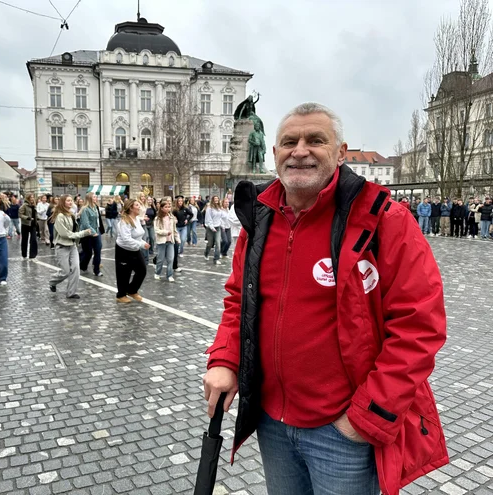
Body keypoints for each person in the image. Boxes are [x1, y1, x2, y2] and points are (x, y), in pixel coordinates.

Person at [202, 102, 447, 495]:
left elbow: (420, 327)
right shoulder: (260, 218)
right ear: (275, 153)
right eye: (289, 142)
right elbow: (239, 299)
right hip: (272, 423)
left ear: (340, 152)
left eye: (316, 140)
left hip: (343, 430)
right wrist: (226, 358)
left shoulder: (383, 219)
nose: (300, 150)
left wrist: (364, 418)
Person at [50, 194, 93, 299]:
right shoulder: (60, 216)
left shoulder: (71, 215)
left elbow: (74, 230)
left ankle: (71, 293)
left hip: (72, 246)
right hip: (62, 246)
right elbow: (66, 234)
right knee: (65, 271)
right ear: (63, 202)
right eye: (68, 201)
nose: (70, 202)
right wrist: (83, 233)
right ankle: (52, 281)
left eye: (71, 201)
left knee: (76, 269)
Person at [114, 199, 149, 303]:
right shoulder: (124, 222)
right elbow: (126, 239)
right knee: (124, 273)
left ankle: (132, 290)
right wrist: (141, 245)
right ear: (131, 208)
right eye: (137, 205)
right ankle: (121, 295)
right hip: (123, 250)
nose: (139, 207)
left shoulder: (136, 219)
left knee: (142, 270)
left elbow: (137, 237)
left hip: (135, 249)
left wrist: (142, 243)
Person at [153, 198, 180, 282]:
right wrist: (165, 232)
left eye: (169, 207)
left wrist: (177, 238)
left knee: (170, 259)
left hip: (170, 241)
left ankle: (170, 275)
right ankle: (157, 273)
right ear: (161, 208)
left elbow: (174, 229)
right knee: (160, 259)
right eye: (166, 207)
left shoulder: (171, 218)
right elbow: (157, 230)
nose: (168, 208)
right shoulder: (158, 218)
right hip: (161, 241)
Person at [79, 192, 104, 276]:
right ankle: (82, 265)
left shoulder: (95, 207)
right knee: (88, 252)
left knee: (98, 251)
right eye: (94, 197)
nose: (95, 198)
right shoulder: (85, 209)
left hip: (97, 232)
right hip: (87, 233)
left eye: (95, 196)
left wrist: (98, 231)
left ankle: (96, 270)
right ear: (89, 198)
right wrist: (93, 233)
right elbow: (86, 224)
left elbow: (98, 220)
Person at [203, 195, 223, 265]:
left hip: (218, 227)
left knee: (218, 243)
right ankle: (206, 253)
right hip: (210, 228)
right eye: (215, 199)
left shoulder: (220, 208)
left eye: (217, 199)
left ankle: (216, 259)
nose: (216, 200)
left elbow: (221, 217)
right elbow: (208, 219)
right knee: (210, 243)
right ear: (212, 200)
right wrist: (212, 227)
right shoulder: (209, 208)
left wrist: (222, 225)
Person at [19, 194, 38, 260]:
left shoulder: (34, 205)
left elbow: (35, 214)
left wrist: (36, 220)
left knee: (33, 239)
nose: (32, 198)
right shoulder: (24, 205)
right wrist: (27, 218)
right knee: (25, 239)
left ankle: (32, 255)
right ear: (28, 198)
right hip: (25, 224)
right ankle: (24, 254)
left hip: (33, 224)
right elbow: (20, 214)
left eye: (33, 197)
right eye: (31, 197)